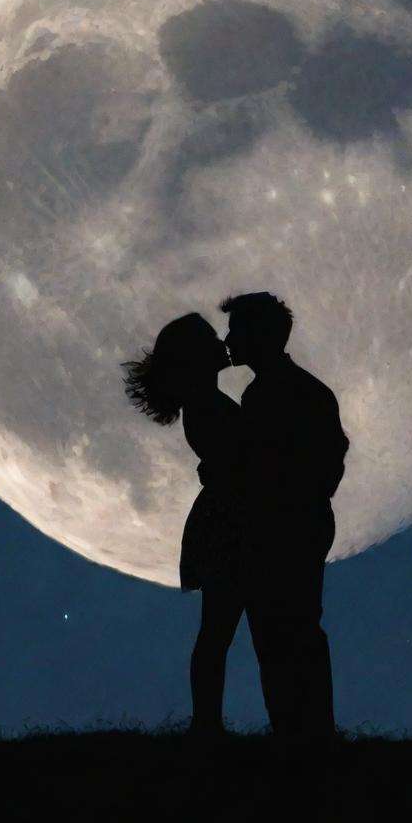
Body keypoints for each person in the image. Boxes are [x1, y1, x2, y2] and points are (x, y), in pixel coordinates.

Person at [220, 291, 350, 753]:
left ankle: (303, 737)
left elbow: (311, 462)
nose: (229, 339)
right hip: (297, 522)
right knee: (291, 631)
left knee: (284, 632)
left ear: (261, 335)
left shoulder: (276, 393)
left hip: (284, 526)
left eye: (237, 330)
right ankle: (307, 735)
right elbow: (333, 458)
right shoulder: (298, 389)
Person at [120, 313, 246, 741]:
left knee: (218, 627)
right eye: (211, 339)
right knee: (218, 628)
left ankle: (206, 723)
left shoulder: (205, 402)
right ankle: (206, 723)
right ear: (195, 356)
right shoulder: (205, 405)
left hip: (224, 518)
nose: (220, 343)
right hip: (230, 521)